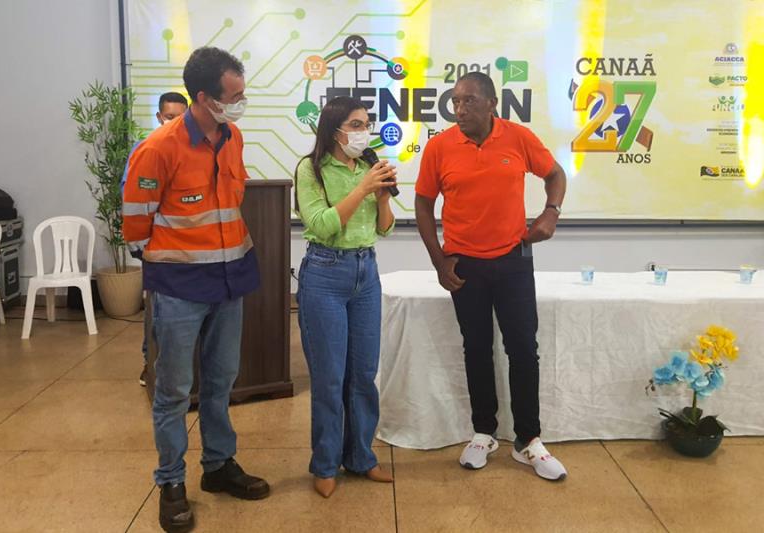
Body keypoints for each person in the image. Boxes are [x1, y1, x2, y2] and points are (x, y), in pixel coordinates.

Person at [122, 46, 269, 533]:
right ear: (204, 98)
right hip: (180, 287)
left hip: (229, 278)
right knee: (173, 390)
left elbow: (232, 198)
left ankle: (218, 466)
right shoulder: (158, 148)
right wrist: (171, 261)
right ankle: (170, 482)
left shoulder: (233, 137)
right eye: (234, 96)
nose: (241, 103)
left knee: (222, 380)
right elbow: (136, 226)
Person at [414, 72, 568, 481]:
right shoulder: (440, 147)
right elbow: (423, 204)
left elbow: (555, 174)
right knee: (477, 348)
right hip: (465, 265)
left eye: (468, 101)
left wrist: (551, 213)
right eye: (454, 101)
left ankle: (528, 441)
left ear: (491, 104)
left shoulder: (518, 138)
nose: (459, 109)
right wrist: (439, 261)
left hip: (513, 260)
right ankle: (484, 432)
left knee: (523, 349)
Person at [294, 96, 397, 498]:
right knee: (329, 377)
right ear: (334, 129)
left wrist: (382, 198)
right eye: (355, 125)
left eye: (366, 124)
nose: (363, 132)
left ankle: (361, 457)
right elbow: (322, 224)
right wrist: (364, 189)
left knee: (363, 374)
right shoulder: (311, 169)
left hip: (366, 272)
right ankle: (325, 464)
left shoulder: (368, 165)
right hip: (325, 273)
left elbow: (384, 229)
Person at [120, 91, 188, 388]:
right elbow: (133, 199)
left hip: (189, 249)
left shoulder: (196, 149)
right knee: (156, 310)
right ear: (159, 117)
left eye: (181, 117)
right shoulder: (146, 149)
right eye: (170, 117)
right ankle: (150, 364)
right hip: (157, 248)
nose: (175, 122)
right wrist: (142, 245)